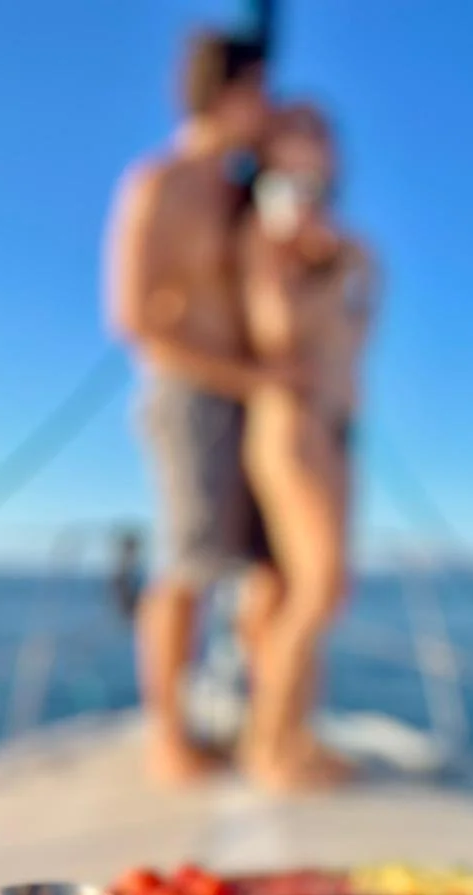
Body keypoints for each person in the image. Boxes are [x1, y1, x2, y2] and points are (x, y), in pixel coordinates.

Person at [105, 31, 299, 784]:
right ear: (226, 92)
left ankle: (267, 725)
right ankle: (168, 737)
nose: (270, 108)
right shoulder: (159, 182)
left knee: (263, 568)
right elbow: (132, 317)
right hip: (190, 396)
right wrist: (245, 376)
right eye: (261, 92)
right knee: (188, 565)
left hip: (252, 399)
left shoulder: (241, 193)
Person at [237, 103, 380, 791]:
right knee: (318, 586)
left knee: (309, 588)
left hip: (335, 431)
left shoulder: (341, 245)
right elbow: (275, 334)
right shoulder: (266, 234)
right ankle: (268, 746)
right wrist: (305, 261)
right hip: (289, 424)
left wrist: (355, 269)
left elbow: (358, 338)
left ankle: (292, 732)